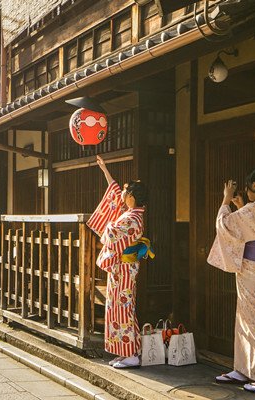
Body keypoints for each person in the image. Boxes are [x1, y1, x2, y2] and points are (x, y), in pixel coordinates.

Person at [208, 165, 255, 395]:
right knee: (246, 316)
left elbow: (225, 225)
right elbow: (249, 227)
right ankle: (242, 368)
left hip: (252, 269)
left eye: (249, 186)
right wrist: (241, 206)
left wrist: (226, 199)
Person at [87, 155, 151, 369]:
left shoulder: (133, 218)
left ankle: (131, 353)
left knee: (123, 308)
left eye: (126, 191)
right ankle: (123, 352)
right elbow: (114, 191)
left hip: (124, 269)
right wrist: (105, 170)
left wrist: (109, 228)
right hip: (120, 269)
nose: (122, 194)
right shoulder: (130, 213)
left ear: (131, 196)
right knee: (116, 307)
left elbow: (112, 234)